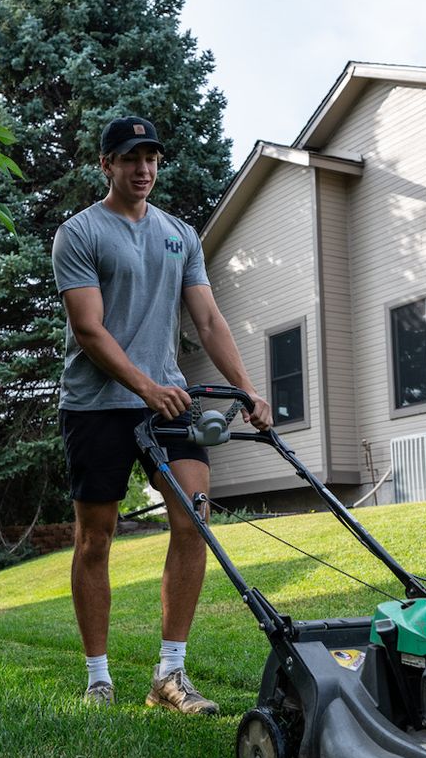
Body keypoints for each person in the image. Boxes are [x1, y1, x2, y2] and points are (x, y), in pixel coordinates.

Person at [52, 115, 273, 712]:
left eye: (150, 158)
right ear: (107, 164)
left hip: (171, 401)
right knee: (95, 538)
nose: (143, 169)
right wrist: (145, 387)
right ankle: (99, 677)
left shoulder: (180, 234)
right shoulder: (79, 234)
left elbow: (208, 320)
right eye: (130, 159)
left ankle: (170, 675)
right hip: (98, 405)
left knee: (193, 521)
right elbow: (89, 330)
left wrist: (247, 389)